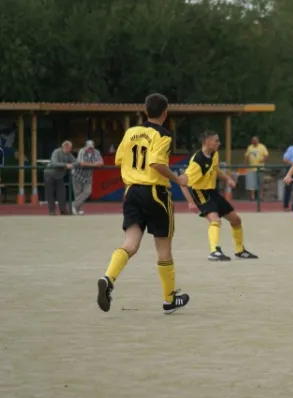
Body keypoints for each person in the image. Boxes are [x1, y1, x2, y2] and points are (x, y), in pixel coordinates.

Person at [96, 93, 190, 314]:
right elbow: (157, 163)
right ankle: (169, 300)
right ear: (165, 113)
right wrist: (178, 179)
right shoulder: (164, 135)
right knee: (164, 247)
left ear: (145, 111)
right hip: (155, 193)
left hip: (131, 192)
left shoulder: (130, 132)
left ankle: (108, 278)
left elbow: (119, 159)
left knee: (130, 243)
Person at [181, 131, 258, 261]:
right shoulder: (198, 161)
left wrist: (228, 179)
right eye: (216, 141)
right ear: (207, 142)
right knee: (215, 220)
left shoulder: (214, 154)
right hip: (200, 192)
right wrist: (190, 202)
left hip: (212, 192)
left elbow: (216, 170)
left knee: (236, 220)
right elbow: (182, 182)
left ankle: (240, 251)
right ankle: (214, 251)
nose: (219, 143)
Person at [44, 141, 77, 215]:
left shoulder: (69, 155)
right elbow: (54, 163)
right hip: (49, 174)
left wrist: (72, 164)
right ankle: (52, 211)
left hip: (59, 176)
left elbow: (75, 162)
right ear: (63, 147)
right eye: (68, 148)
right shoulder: (56, 151)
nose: (69, 150)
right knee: (50, 193)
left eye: (70, 148)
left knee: (62, 193)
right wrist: (66, 165)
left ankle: (63, 210)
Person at [72, 140, 104, 215]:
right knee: (78, 193)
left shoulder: (96, 152)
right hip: (77, 175)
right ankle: (78, 210)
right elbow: (82, 163)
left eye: (91, 148)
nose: (90, 149)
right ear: (85, 146)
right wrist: (95, 164)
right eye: (88, 147)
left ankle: (73, 205)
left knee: (88, 192)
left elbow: (101, 163)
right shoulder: (82, 151)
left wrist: (90, 164)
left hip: (88, 176)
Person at [244, 136, 268, 201]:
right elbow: (246, 156)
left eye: (255, 140)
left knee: (260, 183)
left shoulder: (262, 147)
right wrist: (245, 164)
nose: (254, 142)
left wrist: (262, 160)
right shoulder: (250, 147)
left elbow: (266, 155)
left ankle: (260, 197)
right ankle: (252, 197)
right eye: (253, 140)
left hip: (260, 168)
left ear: (258, 141)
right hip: (251, 168)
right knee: (251, 183)